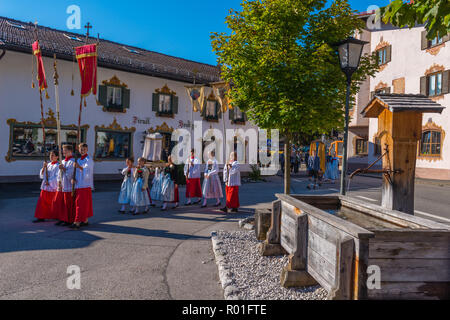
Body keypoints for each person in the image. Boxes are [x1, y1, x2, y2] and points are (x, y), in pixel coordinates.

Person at [71, 143, 94, 230]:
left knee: (80, 203)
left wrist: (79, 167)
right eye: (81, 149)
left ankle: (77, 222)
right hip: (79, 184)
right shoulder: (79, 159)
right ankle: (85, 220)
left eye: (84, 149)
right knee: (82, 203)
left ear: (87, 149)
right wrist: (74, 178)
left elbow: (87, 171)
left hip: (85, 184)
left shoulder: (89, 159)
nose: (82, 150)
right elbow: (76, 171)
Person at [33, 150, 60, 223]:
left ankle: (55, 215)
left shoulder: (58, 165)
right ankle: (41, 216)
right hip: (45, 186)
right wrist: (44, 167)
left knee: (53, 202)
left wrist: (50, 181)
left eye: (53, 155)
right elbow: (42, 175)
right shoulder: (48, 164)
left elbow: (57, 176)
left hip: (52, 187)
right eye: (50, 155)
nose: (51, 156)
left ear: (57, 157)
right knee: (42, 202)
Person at [55, 144, 75, 226]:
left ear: (70, 151)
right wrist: (59, 181)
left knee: (68, 204)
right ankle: (62, 218)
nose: (63, 152)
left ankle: (69, 219)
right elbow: (59, 173)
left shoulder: (72, 161)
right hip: (62, 185)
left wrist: (63, 169)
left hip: (69, 186)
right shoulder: (62, 161)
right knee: (62, 203)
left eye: (65, 150)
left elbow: (70, 175)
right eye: (63, 150)